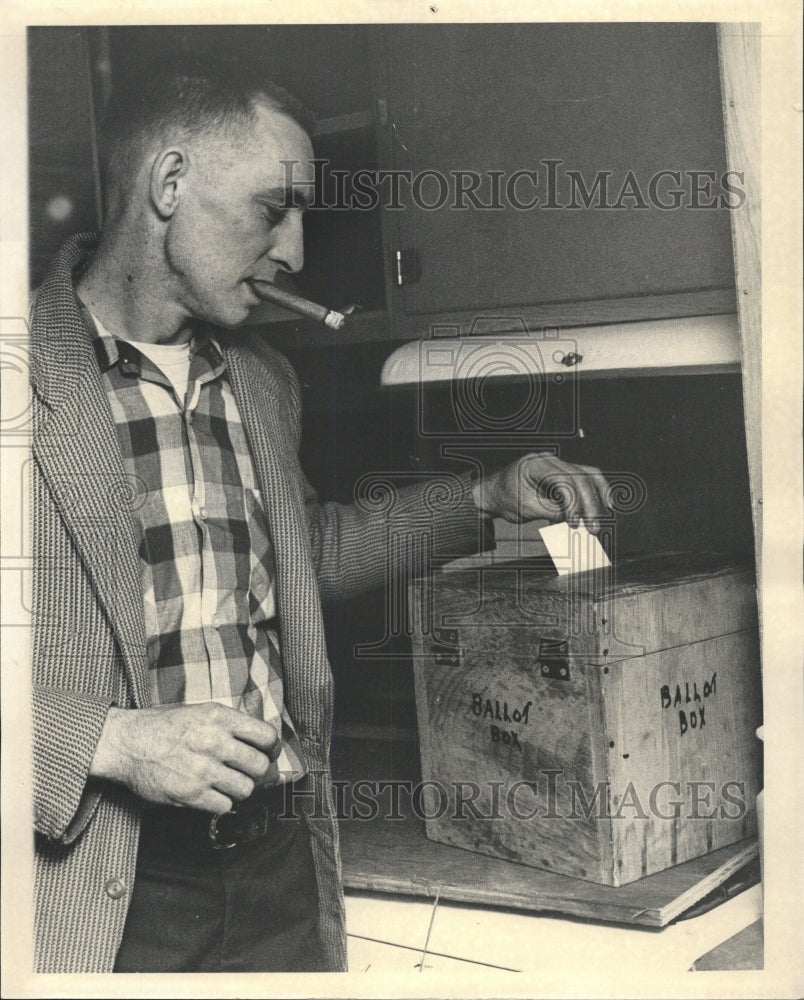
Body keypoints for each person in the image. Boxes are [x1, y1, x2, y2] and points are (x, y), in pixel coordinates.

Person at [29, 52, 610, 974]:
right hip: (103, 893)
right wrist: (105, 739)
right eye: (274, 208)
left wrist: (482, 499)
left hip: (280, 866)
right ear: (169, 182)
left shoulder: (261, 379)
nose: (295, 251)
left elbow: (304, 556)